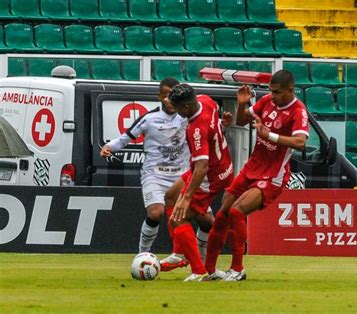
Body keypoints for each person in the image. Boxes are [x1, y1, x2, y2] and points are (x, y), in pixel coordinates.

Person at [203, 69, 309, 281]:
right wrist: (242, 104)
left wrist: (268, 134)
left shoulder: (298, 111)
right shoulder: (267, 102)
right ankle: (209, 271)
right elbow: (242, 122)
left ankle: (238, 269)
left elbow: (300, 142)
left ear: (291, 90)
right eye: (271, 91)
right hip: (252, 168)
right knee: (223, 214)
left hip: (272, 175)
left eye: (277, 92)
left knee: (236, 212)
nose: (273, 96)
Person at [100, 78, 212, 268]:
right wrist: (108, 147)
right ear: (159, 96)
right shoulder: (149, 118)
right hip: (155, 174)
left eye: (172, 95)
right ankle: (142, 255)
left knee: (207, 221)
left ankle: (200, 259)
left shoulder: (187, 116)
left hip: (183, 175)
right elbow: (125, 138)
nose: (168, 99)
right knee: (156, 212)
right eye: (165, 95)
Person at [167, 84, 234, 281]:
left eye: (177, 108)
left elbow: (202, 166)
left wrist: (187, 197)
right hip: (222, 166)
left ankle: (199, 270)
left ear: (186, 108)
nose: (176, 112)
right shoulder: (206, 100)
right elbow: (214, 126)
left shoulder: (196, 128)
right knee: (171, 196)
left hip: (209, 177)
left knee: (177, 218)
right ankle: (180, 252)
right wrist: (224, 123)